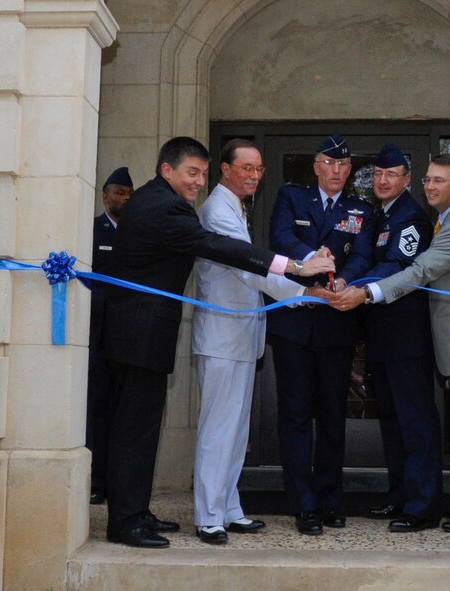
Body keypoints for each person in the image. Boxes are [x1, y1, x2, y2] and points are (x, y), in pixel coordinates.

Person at [101, 136, 335, 549]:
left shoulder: (182, 203)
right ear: (166, 169)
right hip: (151, 333)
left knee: (224, 430)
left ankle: (179, 509)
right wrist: (298, 274)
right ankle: (183, 517)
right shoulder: (174, 206)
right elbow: (229, 254)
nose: (197, 182)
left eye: (200, 174)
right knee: (154, 430)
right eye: (192, 173)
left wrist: (299, 285)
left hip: (169, 333)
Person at [332, 153, 450, 533]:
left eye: (439, 180)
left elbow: (422, 270)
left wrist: (367, 293)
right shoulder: (445, 220)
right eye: (428, 180)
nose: (430, 186)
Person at [191, 139, 329, 544]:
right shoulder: (218, 209)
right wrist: (304, 285)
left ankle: (228, 507)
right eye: (246, 168)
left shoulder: (235, 206)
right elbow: (249, 268)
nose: (254, 175)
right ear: (225, 169)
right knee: (218, 428)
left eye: (259, 169)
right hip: (221, 335)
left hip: (239, 335)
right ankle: (208, 515)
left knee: (235, 430)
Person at [266, 133, 375, 535]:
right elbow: (280, 237)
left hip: (336, 323)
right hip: (295, 323)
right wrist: (313, 259)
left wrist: (345, 277)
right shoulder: (292, 197)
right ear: (316, 167)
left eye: (344, 166)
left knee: (332, 415)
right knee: (295, 416)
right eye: (329, 164)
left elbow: (364, 252)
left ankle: (329, 500)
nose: (337, 171)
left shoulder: (359, 208)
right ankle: (303, 505)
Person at [357, 144, 443, 533]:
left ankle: (422, 507)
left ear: (407, 180)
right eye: (377, 174)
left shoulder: (411, 219)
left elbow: (396, 266)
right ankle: (399, 496)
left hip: (407, 339)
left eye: (391, 174)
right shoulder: (379, 216)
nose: (382, 180)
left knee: (415, 422)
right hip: (382, 338)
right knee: (392, 421)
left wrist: (354, 286)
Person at [87, 166, 134, 506]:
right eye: (119, 193)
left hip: (129, 334)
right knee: (98, 409)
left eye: (129, 194)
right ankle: (97, 480)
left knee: (125, 412)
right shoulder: (91, 230)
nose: (124, 199)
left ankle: (120, 482)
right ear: (105, 196)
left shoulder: (136, 233)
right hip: (99, 333)